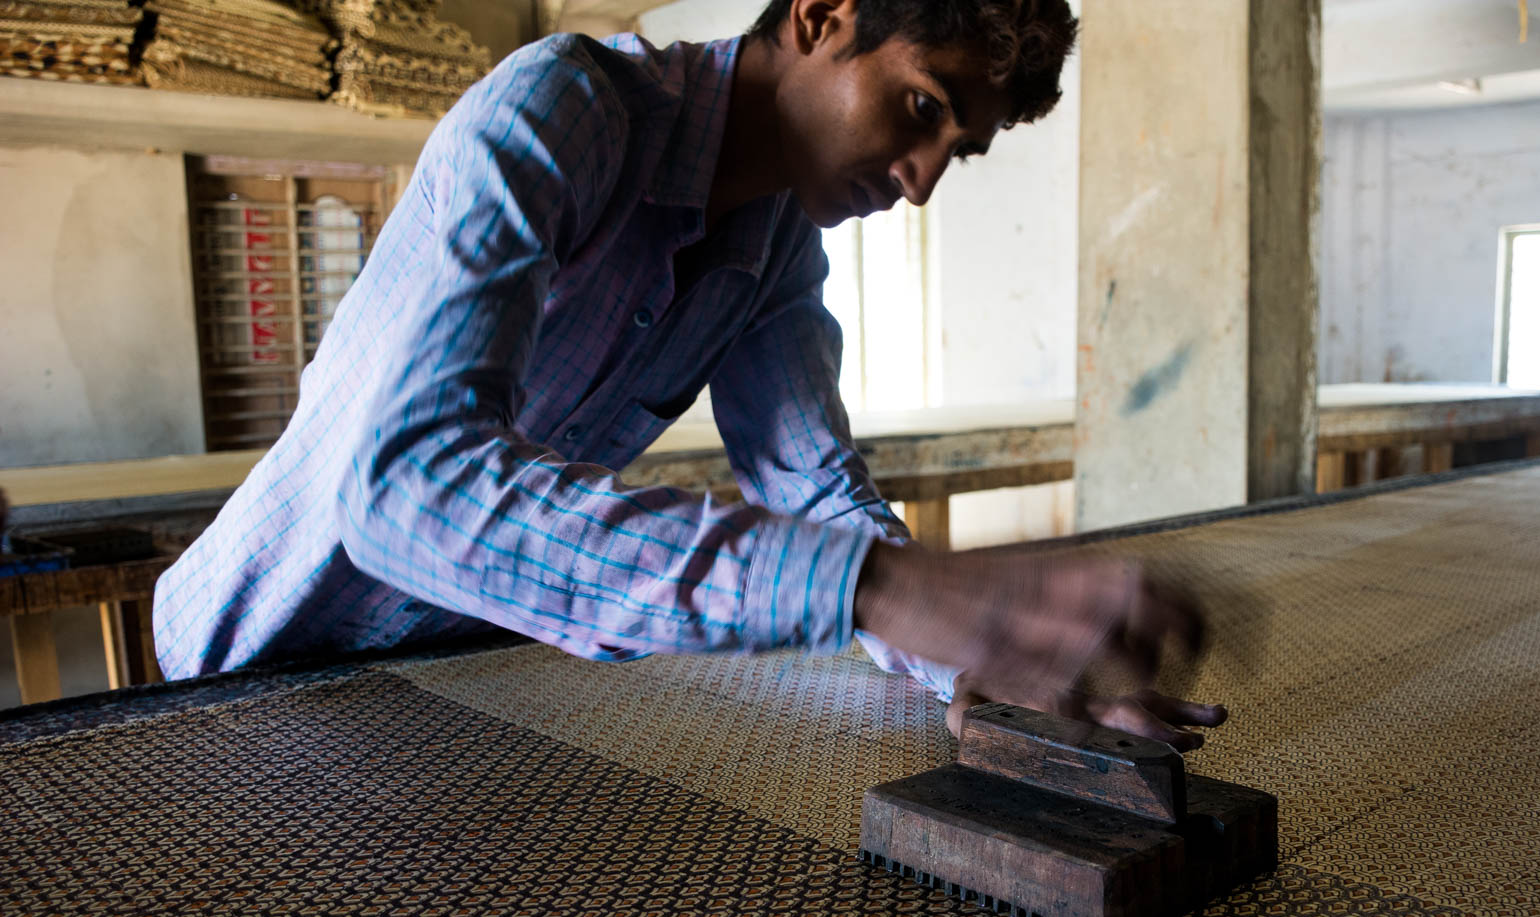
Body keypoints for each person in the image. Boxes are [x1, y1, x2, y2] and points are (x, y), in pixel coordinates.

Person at [153, 0, 1227, 748]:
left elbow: (813, 487)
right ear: (820, 15)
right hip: (238, 683)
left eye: (961, 150)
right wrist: (887, 590)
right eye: (921, 108)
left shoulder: (775, 257)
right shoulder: (561, 113)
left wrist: (977, 661)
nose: (923, 181)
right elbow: (404, 493)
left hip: (454, 687)